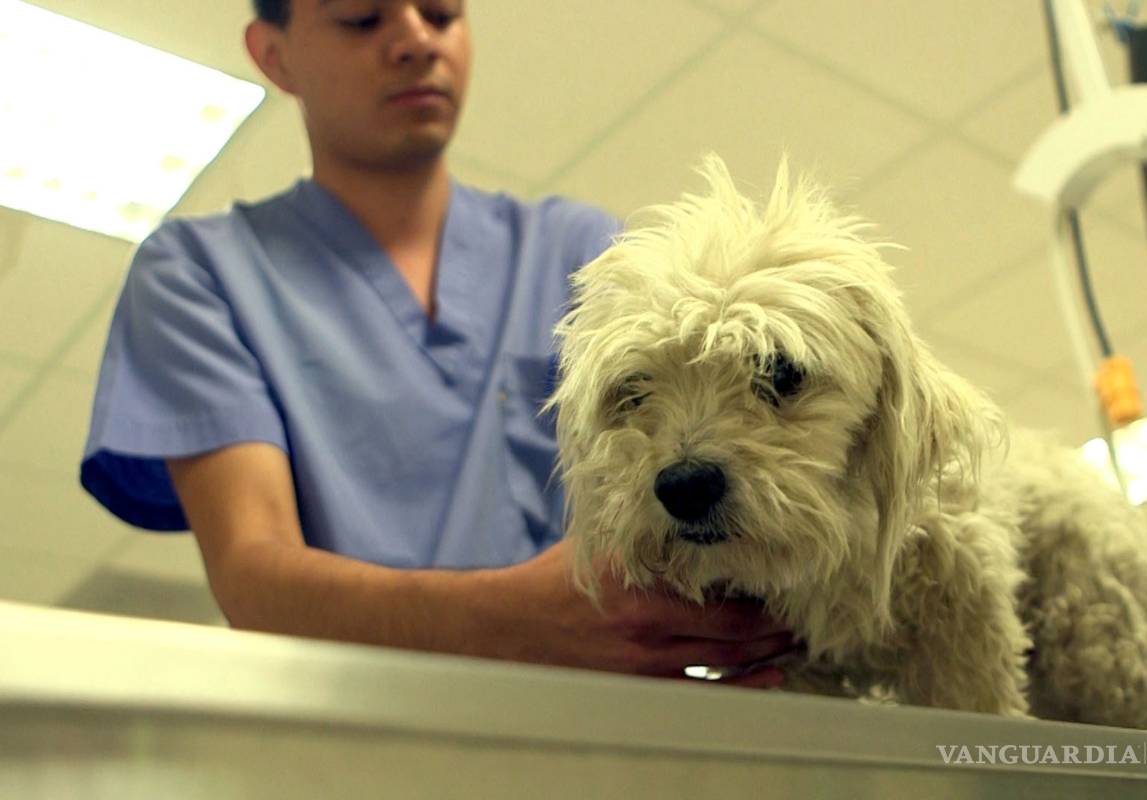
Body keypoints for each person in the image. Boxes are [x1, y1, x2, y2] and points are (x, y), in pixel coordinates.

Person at [79, 0, 793, 687]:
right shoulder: (202, 272)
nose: (418, 40)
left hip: (589, 739)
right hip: (346, 747)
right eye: (363, 17)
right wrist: (515, 622)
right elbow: (254, 578)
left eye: (443, 13)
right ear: (275, 54)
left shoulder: (584, 252)